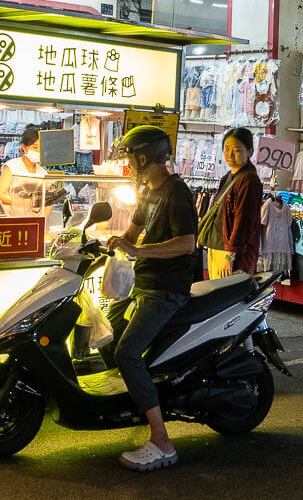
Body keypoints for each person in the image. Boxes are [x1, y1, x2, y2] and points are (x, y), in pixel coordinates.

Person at [103, 125, 198, 471]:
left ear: (143, 157)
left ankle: (161, 439)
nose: (128, 163)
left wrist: (137, 249)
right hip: (142, 283)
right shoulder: (146, 191)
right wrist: (113, 241)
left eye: (130, 157)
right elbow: (132, 233)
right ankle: (135, 403)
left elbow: (186, 243)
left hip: (165, 289)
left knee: (127, 353)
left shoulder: (177, 193)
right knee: (106, 329)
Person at [206, 127, 263, 278]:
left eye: (237, 150)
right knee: (217, 295)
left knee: (226, 296)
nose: (230, 154)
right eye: (226, 149)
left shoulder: (249, 180)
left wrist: (229, 255)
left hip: (231, 254)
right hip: (217, 247)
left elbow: (243, 220)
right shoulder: (228, 177)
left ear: (249, 152)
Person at [0, 126, 48, 216]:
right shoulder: (11, 166)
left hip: (33, 220)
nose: (38, 151)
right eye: (35, 147)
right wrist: (23, 202)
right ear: (24, 147)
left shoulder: (42, 172)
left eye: (41, 148)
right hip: (12, 219)